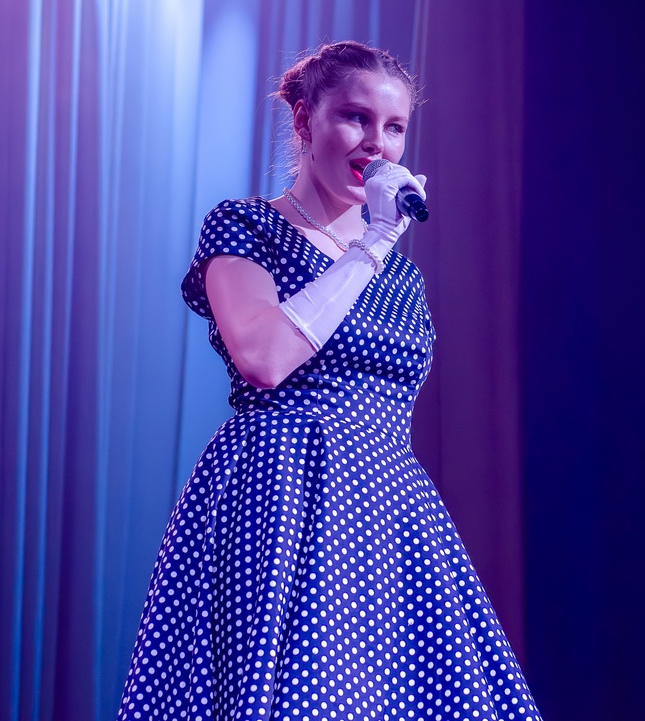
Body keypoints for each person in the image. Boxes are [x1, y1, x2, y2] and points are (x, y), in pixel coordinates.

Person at [117, 41, 542, 720]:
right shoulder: (248, 226)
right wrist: (370, 245)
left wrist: (376, 249)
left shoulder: (401, 275)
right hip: (282, 493)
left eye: (394, 127)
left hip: (386, 509)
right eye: (355, 117)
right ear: (305, 120)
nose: (377, 143)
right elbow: (263, 357)